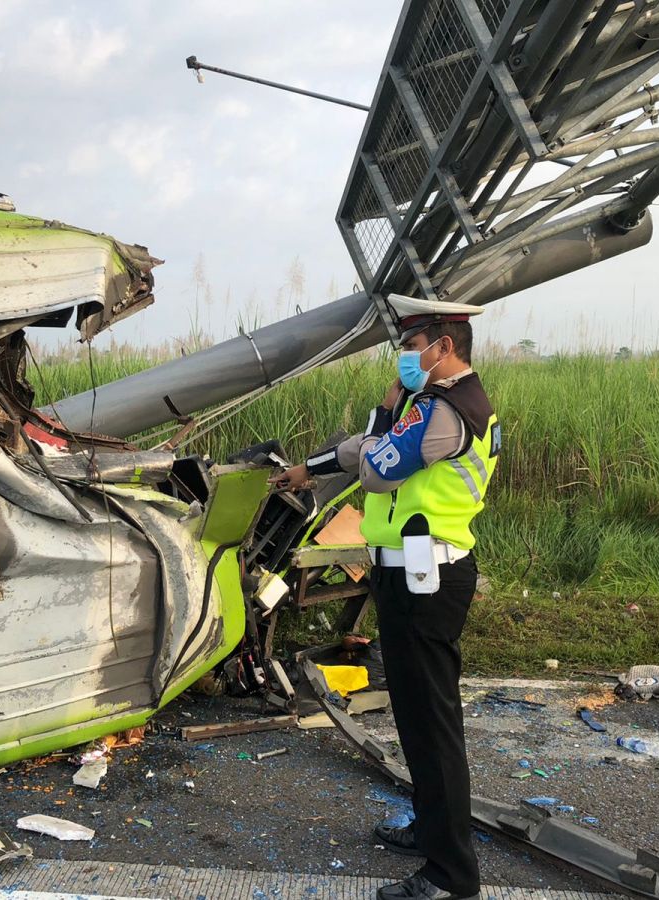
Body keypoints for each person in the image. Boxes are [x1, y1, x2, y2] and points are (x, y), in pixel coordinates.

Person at [271, 295, 500, 900]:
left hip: (429, 579)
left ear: (442, 347)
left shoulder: (447, 413)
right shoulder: (429, 404)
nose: (403, 356)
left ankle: (452, 876)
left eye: (409, 345)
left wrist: (383, 422)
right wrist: (310, 467)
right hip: (405, 575)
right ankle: (431, 829)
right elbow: (364, 446)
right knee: (416, 716)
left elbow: (376, 469)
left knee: (432, 722)